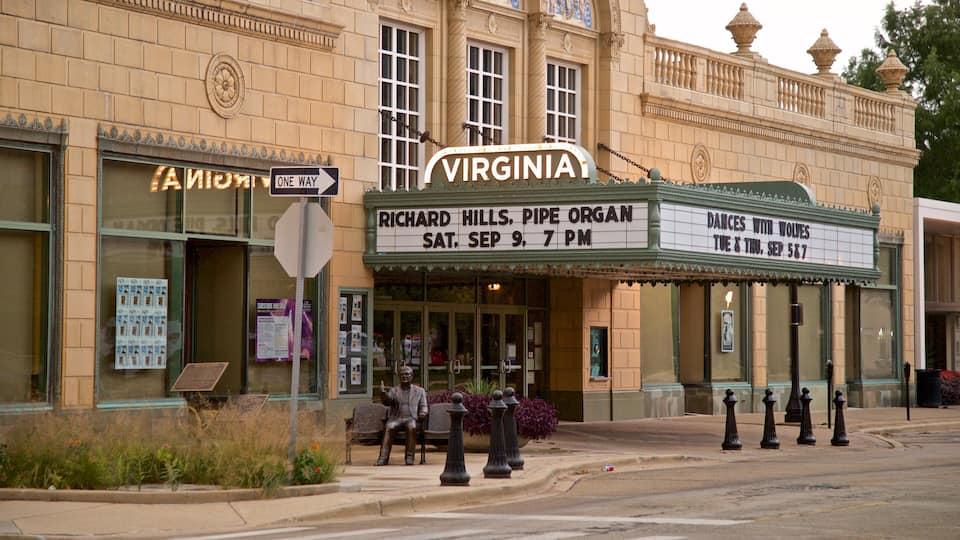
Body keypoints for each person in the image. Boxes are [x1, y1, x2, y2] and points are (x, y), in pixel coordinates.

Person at [376, 365, 428, 466]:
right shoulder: (394, 390)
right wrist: (383, 394)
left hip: (411, 418)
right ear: (399, 376)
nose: (405, 376)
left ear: (411, 376)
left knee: (412, 427)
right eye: (402, 374)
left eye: (407, 374)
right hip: (397, 418)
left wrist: (423, 413)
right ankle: (383, 458)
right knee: (389, 427)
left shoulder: (420, 391)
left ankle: (409, 457)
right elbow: (388, 402)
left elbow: (424, 406)